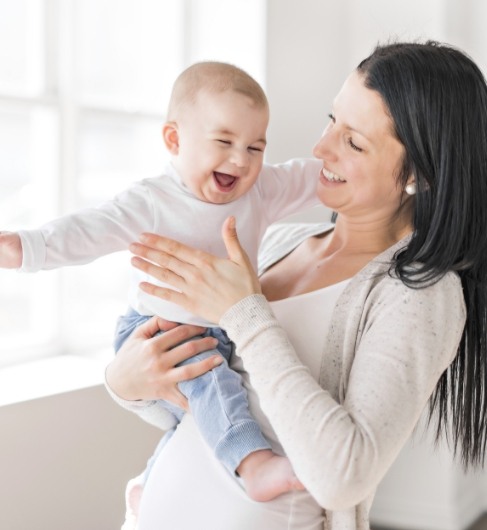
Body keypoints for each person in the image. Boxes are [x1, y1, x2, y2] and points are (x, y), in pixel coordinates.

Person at [105, 40, 487, 530]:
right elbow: (201, 409)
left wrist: (245, 313)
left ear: (418, 173)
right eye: (332, 120)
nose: (319, 148)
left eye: (353, 141)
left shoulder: (420, 293)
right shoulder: (272, 241)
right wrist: (127, 383)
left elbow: (342, 476)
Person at [0, 61, 323, 507]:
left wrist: (396, 174)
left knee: (201, 416)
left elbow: (314, 176)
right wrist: (26, 247)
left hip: (220, 329)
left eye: (256, 147)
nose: (241, 160)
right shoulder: (152, 201)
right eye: (225, 142)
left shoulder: (261, 190)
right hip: (159, 328)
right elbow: (90, 229)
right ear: (174, 139)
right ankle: (254, 465)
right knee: (213, 384)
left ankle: (148, 483)